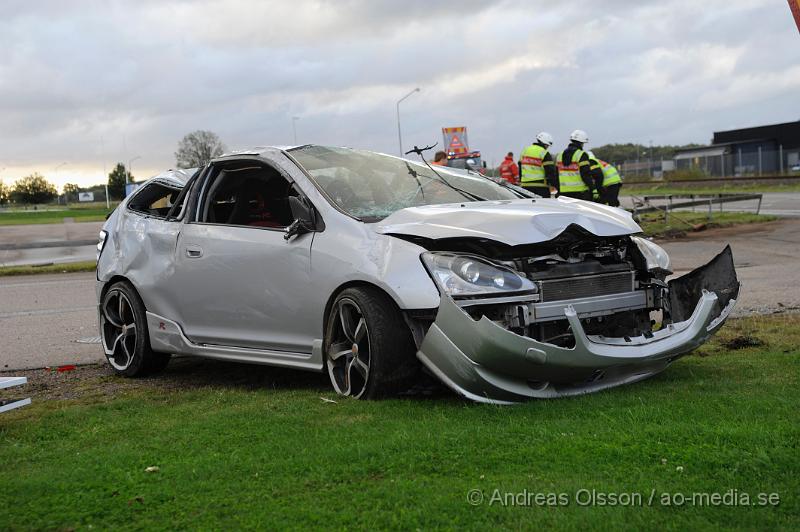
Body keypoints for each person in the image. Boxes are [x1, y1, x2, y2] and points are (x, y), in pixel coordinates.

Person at [555, 130, 595, 200]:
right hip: (580, 193)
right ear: (581, 143)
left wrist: (558, 190)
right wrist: (593, 189)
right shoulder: (582, 154)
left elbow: (555, 175)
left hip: (564, 192)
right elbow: (586, 174)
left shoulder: (559, 155)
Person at [519, 132, 558, 197]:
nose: (547, 147)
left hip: (525, 186)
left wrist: (521, 181)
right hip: (540, 187)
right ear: (545, 144)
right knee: (542, 206)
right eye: (547, 146)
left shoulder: (525, 150)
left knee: (527, 206)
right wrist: (556, 186)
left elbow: (520, 169)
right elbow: (550, 172)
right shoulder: (544, 153)